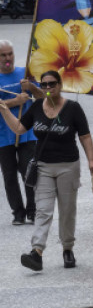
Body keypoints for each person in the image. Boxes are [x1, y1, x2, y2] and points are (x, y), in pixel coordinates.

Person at [0, 70, 93, 272]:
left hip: (68, 167)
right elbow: (19, 128)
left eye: (52, 84)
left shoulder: (73, 108)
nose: (48, 88)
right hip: (43, 167)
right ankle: (37, 252)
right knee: (43, 210)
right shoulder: (36, 107)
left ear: (60, 85)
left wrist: (91, 161)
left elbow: (85, 136)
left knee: (67, 210)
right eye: (44, 85)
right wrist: (4, 110)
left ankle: (67, 249)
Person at [0, 41, 39, 225]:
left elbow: (44, 97)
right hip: (3, 136)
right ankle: (18, 212)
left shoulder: (25, 74)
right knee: (9, 176)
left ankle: (32, 210)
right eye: (3, 55)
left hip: (26, 133)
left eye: (10, 54)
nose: (8, 58)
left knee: (28, 172)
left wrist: (31, 88)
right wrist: (15, 102)